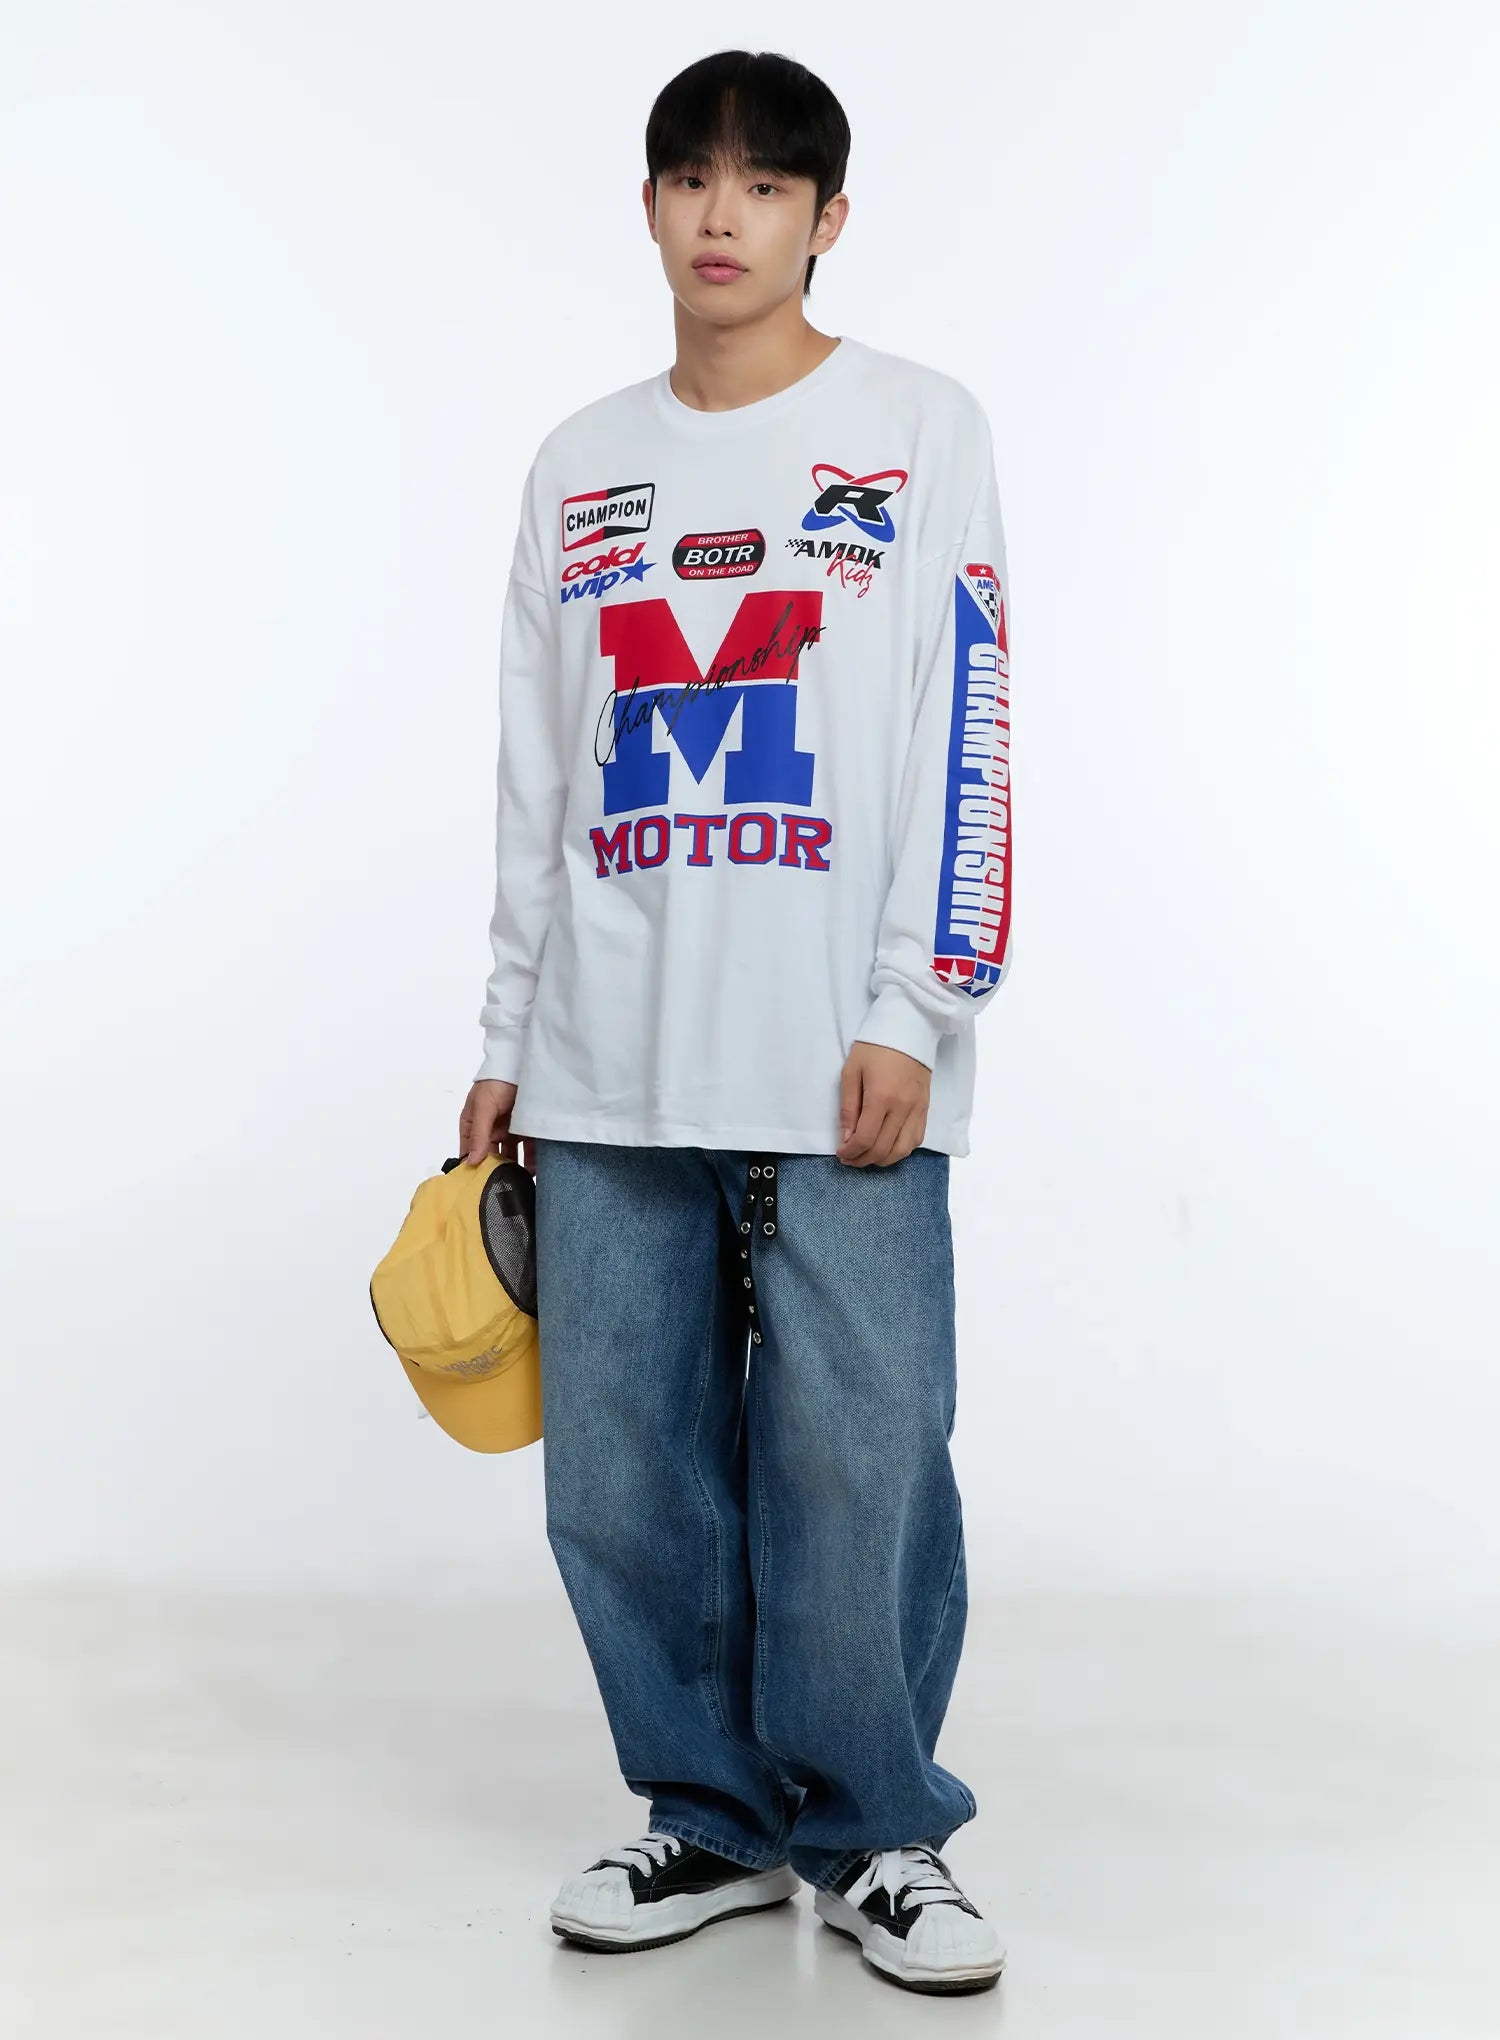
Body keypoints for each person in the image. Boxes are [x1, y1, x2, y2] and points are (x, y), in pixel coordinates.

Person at [457, 48, 1013, 1998]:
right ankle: (707, 1816)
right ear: (646, 206)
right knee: (621, 1475)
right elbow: (540, 778)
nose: (724, 214)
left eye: (767, 185)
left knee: (862, 1461)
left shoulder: (917, 431)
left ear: (827, 218)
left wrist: (916, 1006)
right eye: (692, 177)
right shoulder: (579, 464)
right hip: (605, 1060)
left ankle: (875, 1833)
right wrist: (506, 1037)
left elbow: (965, 734)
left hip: (841, 1055)